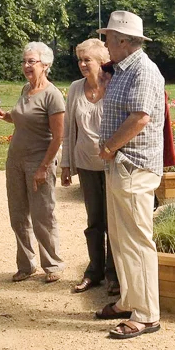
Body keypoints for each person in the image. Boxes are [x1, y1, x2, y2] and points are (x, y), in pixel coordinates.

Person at [94, 11, 166, 340]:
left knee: (136, 241)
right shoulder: (124, 70)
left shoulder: (144, 70)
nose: (104, 42)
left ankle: (147, 315)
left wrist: (109, 147)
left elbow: (139, 118)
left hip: (133, 165)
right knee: (121, 240)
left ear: (124, 41)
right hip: (121, 165)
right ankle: (129, 301)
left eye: (108, 37)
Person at [0, 42, 66, 283]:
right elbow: (22, 119)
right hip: (15, 159)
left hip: (39, 160)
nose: (26, 66)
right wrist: (5, 116)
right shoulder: (26, 89)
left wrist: (44, 167)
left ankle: (53, 264)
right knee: (17, 215)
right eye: (24, 61)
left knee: (42, 215)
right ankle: (26, 265)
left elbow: (58, 137)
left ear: (45, 65)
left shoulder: (53, 95)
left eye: (31, 62)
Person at [61, 38, 117, 295]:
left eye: (87, 59)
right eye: (80, 59)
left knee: (114, 222)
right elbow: (69, 128)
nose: (82, 64)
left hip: (113, 165)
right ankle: (94, 271)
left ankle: (114, 275)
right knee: (94, 221)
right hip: (86, 163)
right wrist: (66, 165)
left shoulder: (114, 83)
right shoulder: (74, 88)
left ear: (101, 61)